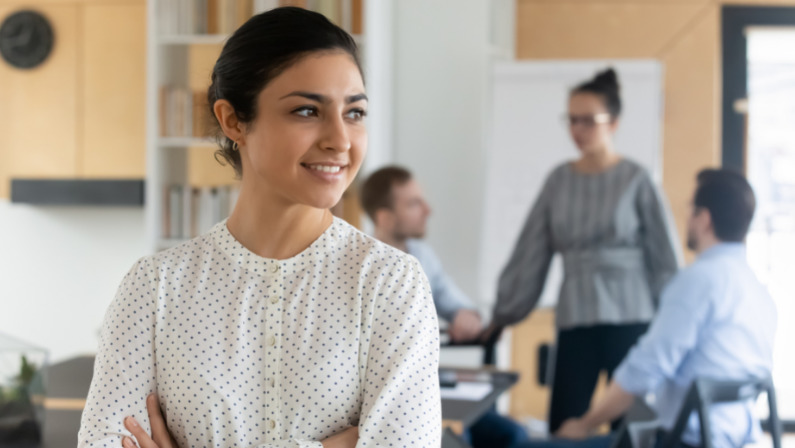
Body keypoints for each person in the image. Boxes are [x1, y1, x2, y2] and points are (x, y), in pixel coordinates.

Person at [78, 8, 441, 448]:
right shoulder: (154, 288)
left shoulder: (391, 283)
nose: (340, 140)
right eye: (307, 110)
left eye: (355, 113)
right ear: (233, 121)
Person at [512, 169, 777, 448]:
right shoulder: (758, 291)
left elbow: (645, 370)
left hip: (682, 442)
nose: (686, 217)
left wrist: (583, 424)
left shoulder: (697, 281)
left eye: (690, 209)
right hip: (733, 440)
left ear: (704, 218)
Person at [486, 68, 681, 433]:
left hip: (632, 317)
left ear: (614, 123)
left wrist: (672, 321)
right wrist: (503, 314)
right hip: (576, 315)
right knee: (565, 423)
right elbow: (531, 253)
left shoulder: (637, 179)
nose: (578, 130)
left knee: (632, 427)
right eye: (572, 120)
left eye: (588, 120)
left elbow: (665, 259)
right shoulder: (559, 180)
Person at [360, 166, 529, 448]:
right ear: (385, 217)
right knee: (460, 438)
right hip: (386, 400)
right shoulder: (360, 265)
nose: (428, 210)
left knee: (513, 436)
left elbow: (457, 303)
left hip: (431, 388)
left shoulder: (422, 256)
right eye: (414, 203)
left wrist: (467, 315)